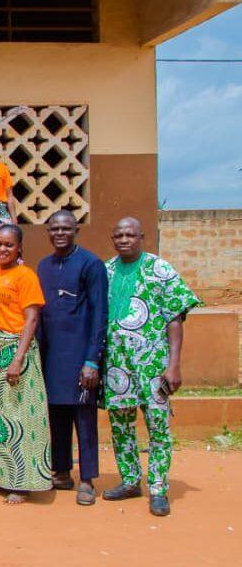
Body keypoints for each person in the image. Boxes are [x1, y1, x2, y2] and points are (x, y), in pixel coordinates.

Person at [102, 217, 200, 517]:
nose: (123, 239)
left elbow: (175, 318)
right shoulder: (106, 270)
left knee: (157, 425)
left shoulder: (160, 269)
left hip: (152, 365)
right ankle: (130, 480)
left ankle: (158, 488)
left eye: (130, 234)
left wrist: (174, 365)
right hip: (116, 365)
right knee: (120, 426)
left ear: (142, 236)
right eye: (118, 234)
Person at [36, 209, 107, 506]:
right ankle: (62, 471)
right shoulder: (43, 266)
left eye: (66, 228)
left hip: (80, 355)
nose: (60, 233)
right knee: (57, 417)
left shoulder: (91, 264)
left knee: (84, 418)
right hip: (52, 355)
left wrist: (92, 360)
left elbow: (100, 314)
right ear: (48, 232)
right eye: (54, 229)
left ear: (76, 229)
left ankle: (87, 479)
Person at [0, 224, 52, 504]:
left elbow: (31, 318)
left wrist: (18, 358)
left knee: (21, 417)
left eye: (8, 245)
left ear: (19, 247)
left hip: (14, 352)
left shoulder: (25, 275)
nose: (1, 249)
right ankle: (0, 476)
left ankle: (22, 482)